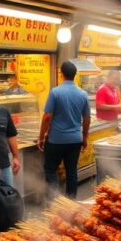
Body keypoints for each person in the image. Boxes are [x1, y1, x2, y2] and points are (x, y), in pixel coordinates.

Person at [38, 61, 90, 200]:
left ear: (61, 75)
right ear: (75, 75)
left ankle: (56, 201)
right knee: (72, 171)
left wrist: (41, 137)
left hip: (56, 140)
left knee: (50, 170)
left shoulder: (55, 92)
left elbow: (47, 116)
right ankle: (71, 202)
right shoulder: (83, 94)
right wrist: (84, 137)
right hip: (75, 140)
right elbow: (86, 118)